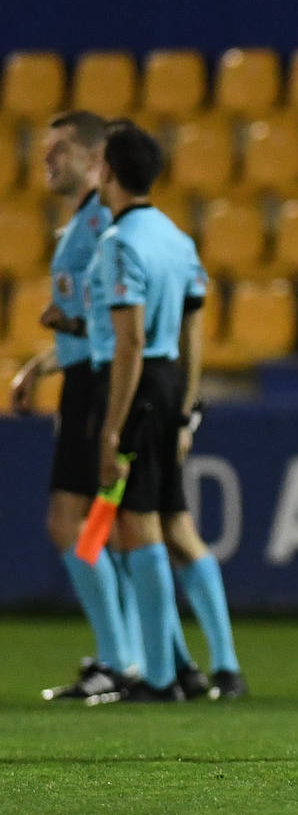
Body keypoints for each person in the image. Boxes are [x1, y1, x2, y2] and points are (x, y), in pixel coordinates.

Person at [84, 120, 244, 701]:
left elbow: (127, 343)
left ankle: (159, 676)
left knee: (135, 524)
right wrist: (185, 404)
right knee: (175, 522)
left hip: (134, 384)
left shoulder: (117, 243)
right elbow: (195, 324)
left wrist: (109, 429)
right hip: (170, 382)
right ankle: (217, 666)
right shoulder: (177, 238)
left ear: (108, 171)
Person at [12, 110, 136, 701]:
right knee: (96, 529)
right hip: (84, 376)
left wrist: (69, 327)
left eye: (60, 149)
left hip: (97, 383)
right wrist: (43, 362)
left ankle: (119, 660)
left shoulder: (100, 227)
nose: (47, 160)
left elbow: (117, 319)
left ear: (94, 158)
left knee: (72, 524)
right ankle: (125, 657)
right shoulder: (83, 224)